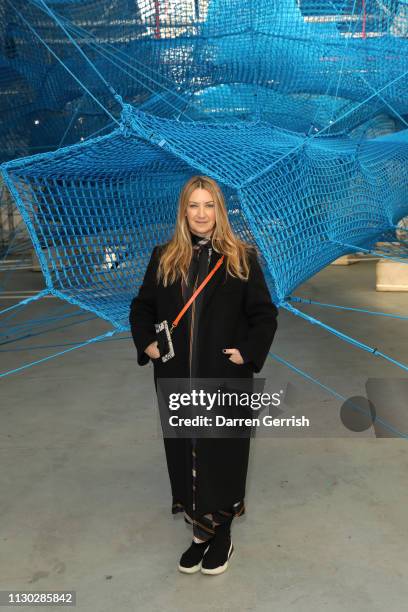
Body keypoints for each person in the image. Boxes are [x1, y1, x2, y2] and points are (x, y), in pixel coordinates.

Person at [129, 175, 278, 575]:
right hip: (175, 376)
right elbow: (142, 307)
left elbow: (264, 315)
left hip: (224, 376)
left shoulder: (241, 257)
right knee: (187, 454)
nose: (200, 214)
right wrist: (147, 343)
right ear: (183, 211)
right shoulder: (164, 256)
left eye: (208, 205)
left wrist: (247, 352)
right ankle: (199, 533)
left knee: (221, 454)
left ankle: (222, 534)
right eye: (193, 206)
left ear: (219, 211)